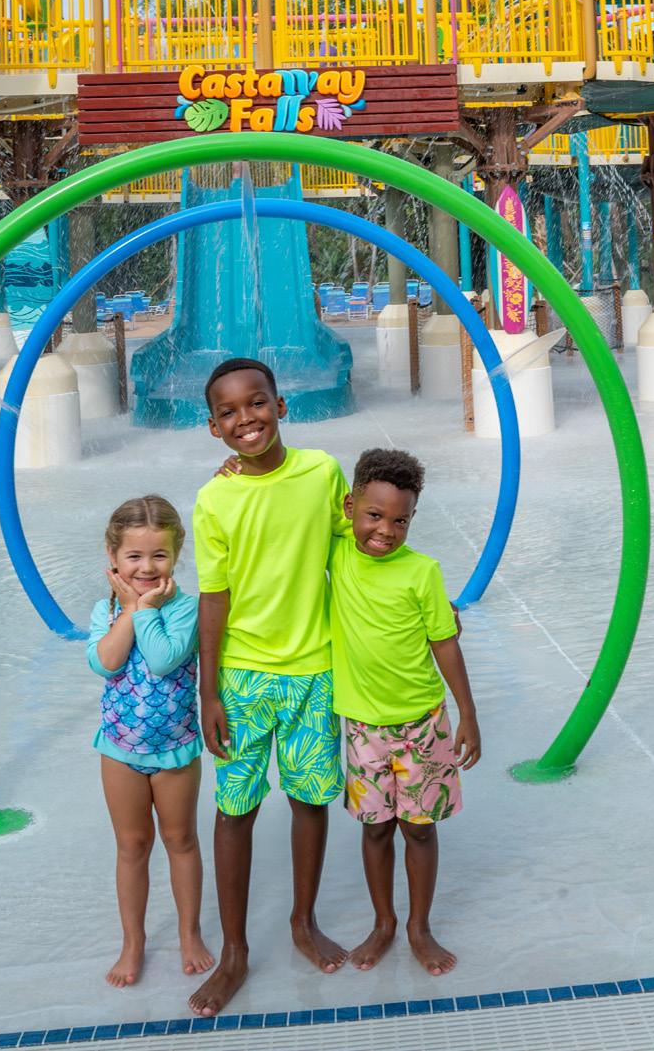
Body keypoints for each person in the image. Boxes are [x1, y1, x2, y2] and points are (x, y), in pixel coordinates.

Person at [189, 358, 350, 1017]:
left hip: (315, 672)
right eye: (228, 412)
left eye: (256, 403)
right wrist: (209, 691)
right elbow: (214, 597)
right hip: (244, 679)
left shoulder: (322, 472)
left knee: (311, 799)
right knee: (236, 809)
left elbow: (355, 552)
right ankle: (234, 952)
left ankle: (303, 922)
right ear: (213, 428)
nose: (245, 418)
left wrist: (422, 606)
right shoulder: (214, 499)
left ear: (281, 406)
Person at [329, 448, 481, 976]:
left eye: (401, 521)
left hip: (423, 723)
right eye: (374, 515)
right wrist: (235, 468)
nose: (386, 530)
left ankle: (419, 926)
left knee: (418, 829)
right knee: (375, 828)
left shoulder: (422, 572)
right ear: (349, 508)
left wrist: (468, 713)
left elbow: (445, 643)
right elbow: (289, 504)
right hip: (362, 726)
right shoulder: (335, 552)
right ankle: (384, 923)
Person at [86, 496, 213, 988]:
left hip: (175, 750)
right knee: (132, 846)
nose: (146, 567)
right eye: (134, 556)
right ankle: (133, 942)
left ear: (176, 554)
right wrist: (130, 610)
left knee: (181, 840)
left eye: (158, 555)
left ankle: (189, 934)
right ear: (113, 556)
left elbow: (162, 660)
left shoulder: (185, 609)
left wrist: (145, 610)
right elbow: (105, 662)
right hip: (120, 750)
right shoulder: (105, 611)